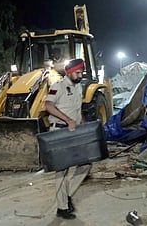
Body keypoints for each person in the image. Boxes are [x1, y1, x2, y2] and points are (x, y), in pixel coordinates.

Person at [44, 58, 89, 220]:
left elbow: (77, 109)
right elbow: (48, 105)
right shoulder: (58, 86)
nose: (80, 75)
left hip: (74, 132)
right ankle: (62, 208)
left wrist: (83, 125)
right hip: (60, 132)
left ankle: (67, 195)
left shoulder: (79, 87)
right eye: (78, 72)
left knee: (85, 165)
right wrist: (67, 120)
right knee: (62, 170)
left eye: (81, 72)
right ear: (69, 72)